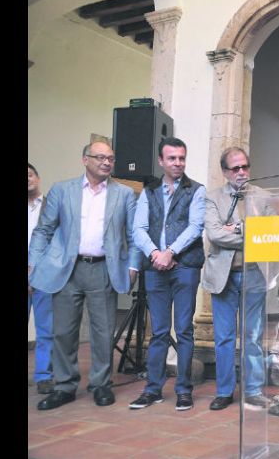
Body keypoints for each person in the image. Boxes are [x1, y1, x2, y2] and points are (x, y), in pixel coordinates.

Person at [30, 141, 140, 410]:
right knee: (64, 331)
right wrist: (34, 263)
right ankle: (64, 386)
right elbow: (43, 230)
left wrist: (133, 265)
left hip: (104, 268)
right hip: (66, 270)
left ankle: (101, 385)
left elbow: (134, 235)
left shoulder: (124, 194)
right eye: (100, 157)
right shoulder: (62, 190)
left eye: (111, 158)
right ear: (85, 159)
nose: (106, 162)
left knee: (103, 331)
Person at [129, 137, 205, 412]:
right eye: (172, 158)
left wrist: (170, 252)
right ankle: (153, 390)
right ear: (161, 161)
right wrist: (154, 254)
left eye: (181, 158)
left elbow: (196, 227)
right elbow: (138, 229)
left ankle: (184, 390)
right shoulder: (148, 191)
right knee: (158, 332)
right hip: (155, 268)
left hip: (185, 267)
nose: (178, 163)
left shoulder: (196, 190)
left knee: (184, 330)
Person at [202, 147, 274, 411]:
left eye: (245, 166)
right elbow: (215, 234)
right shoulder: (212, 199)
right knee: (223, 337)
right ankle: (224, 391)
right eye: (235, 168)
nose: (242, 172)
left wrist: (238, 228)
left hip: (254, 273)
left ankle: (253, 390)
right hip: (222, 276)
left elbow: (269, 233)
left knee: (253, 336)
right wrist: (248, 232)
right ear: (225, 172)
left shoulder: (264, 198)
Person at [28, 163, 54, 395]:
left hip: (43, 274)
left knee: (45, 328)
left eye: (30, 175)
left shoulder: (49, 206)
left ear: (38, 177)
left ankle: (44, 375)